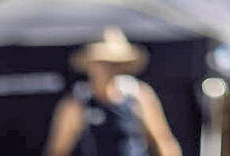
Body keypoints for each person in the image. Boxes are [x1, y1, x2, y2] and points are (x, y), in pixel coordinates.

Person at [44, 26, 181, 156]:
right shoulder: (77, 104)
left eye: (113, 63)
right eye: (101, 63)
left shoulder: (138, 95)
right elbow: (57, 151)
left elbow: (163, 141)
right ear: (90, 65)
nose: (107, 69)